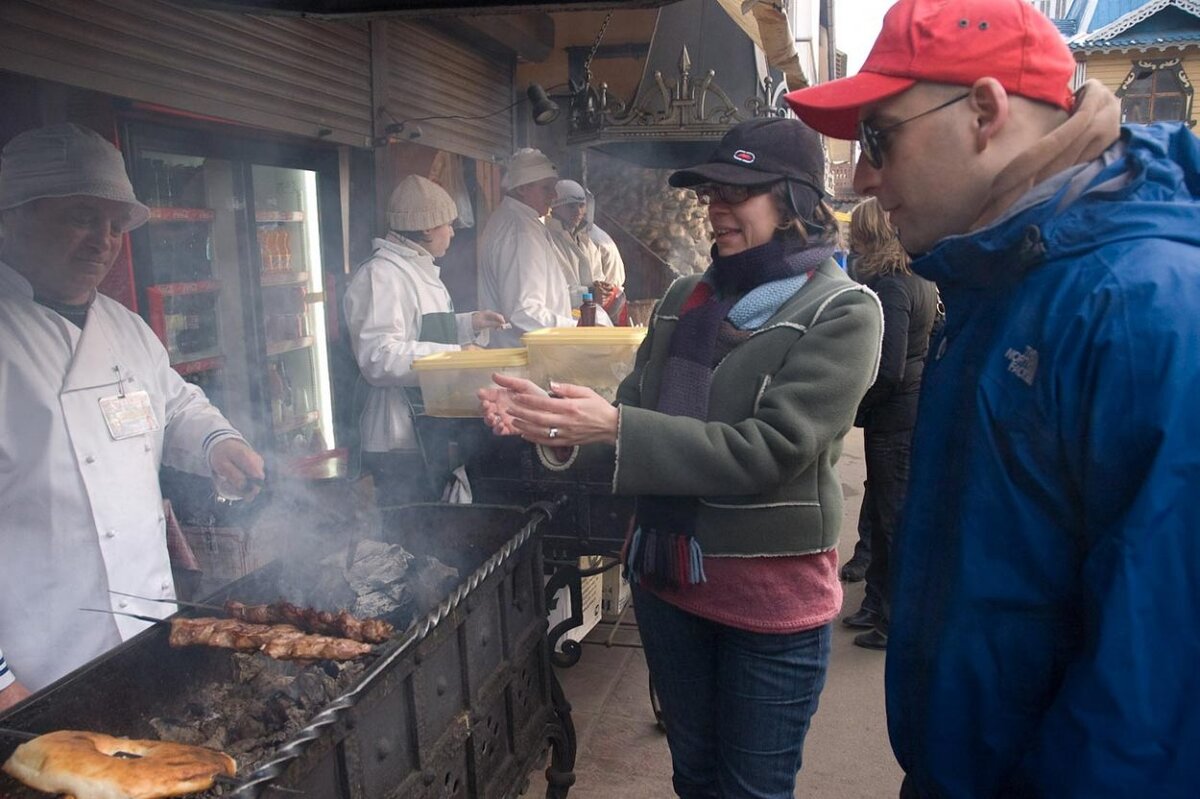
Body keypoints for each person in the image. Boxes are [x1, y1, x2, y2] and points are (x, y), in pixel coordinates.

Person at [785, 0, 1200, 795]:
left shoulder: (1150, 310)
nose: (860, 176)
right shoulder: (994, 281)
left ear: (984, 110)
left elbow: (1153, 705)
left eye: (878, 137)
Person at [480, 117, 883, 799]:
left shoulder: (843, 312)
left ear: (793, 201)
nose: (716, 207)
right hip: (671, 590)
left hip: (771, 610)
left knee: (751, 789)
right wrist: (551, 428)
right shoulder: (680, 301)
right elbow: (633, 422)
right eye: (710, 192)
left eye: (738, 191)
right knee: (694, 778)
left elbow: (768, 450)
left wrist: (613, 423)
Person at [0, 124, 265, 709]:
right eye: (80, 216)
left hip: (147, 630)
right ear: (11, 216)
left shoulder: (123, 327)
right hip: (37, 665)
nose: (104, 239)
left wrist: (217, 444)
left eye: (115, 223)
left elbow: (174, 404)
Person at [343, 175, 506, 507]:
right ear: (427, 229)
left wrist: (469, 324)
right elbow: (378, 357)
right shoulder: (382, 276)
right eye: (447, 224)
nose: (452, 231)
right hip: (396, 438)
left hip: (425, 429)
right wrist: (455, 355)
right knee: (409, 536)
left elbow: (420, 332)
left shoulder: (417, 270)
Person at [840, 198, 936, 651]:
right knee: (883, 511)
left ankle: (892, 616)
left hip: (895, 413)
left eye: (856, 232)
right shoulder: (912, 278)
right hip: (901, 410)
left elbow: (890, 366)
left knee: (891, 517)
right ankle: (877, 604)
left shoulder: (895, 285)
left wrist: (858, 406)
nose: (850, 240)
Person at [477, 148, 575, 347]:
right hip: (524, 358)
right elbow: (523, 312)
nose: (554, 195)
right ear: (522, 189)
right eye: (546, 188)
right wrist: (580, 328)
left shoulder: (514, 220)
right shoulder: (520, 232)